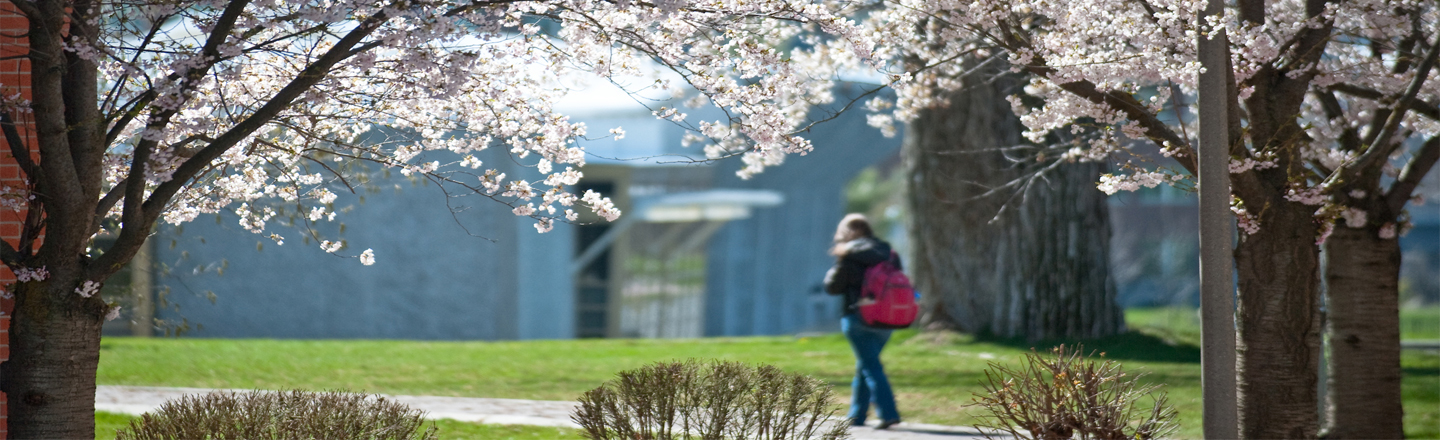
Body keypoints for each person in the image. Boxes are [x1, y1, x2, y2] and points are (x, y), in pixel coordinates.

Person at [822, 213, 902, 429]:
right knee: (866, 363)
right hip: (887, 318)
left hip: (858, 316)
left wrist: (840, 260)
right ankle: (857, 415)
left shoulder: (849, 254)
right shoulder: (888, 252)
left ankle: (888, 412)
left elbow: (832, 287)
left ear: (847, 233)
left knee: (871, 365)